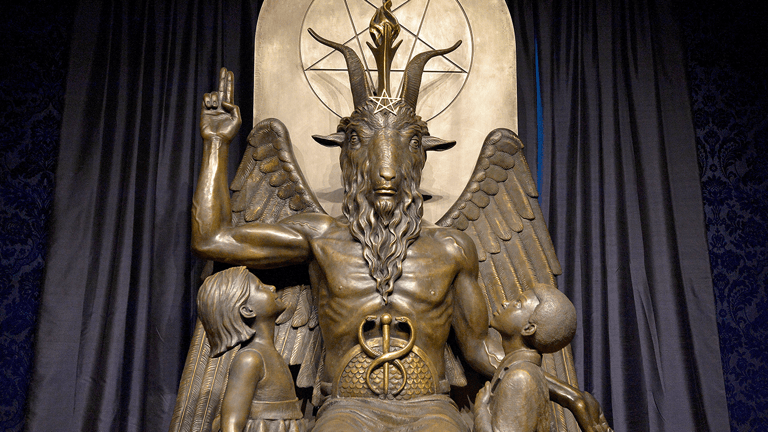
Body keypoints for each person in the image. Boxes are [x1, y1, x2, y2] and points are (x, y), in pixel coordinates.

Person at [196, 267, 304, 432]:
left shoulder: (269, 354)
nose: (272, 287)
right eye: (260, 287)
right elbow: (231, 424)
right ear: (247, 310)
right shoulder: (249, 359)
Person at [473, 284, 578, 432]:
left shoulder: (520, 377)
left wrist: (480, 409)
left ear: (528, 329)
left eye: (518, 303)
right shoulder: (522, 371)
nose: (505, 303)